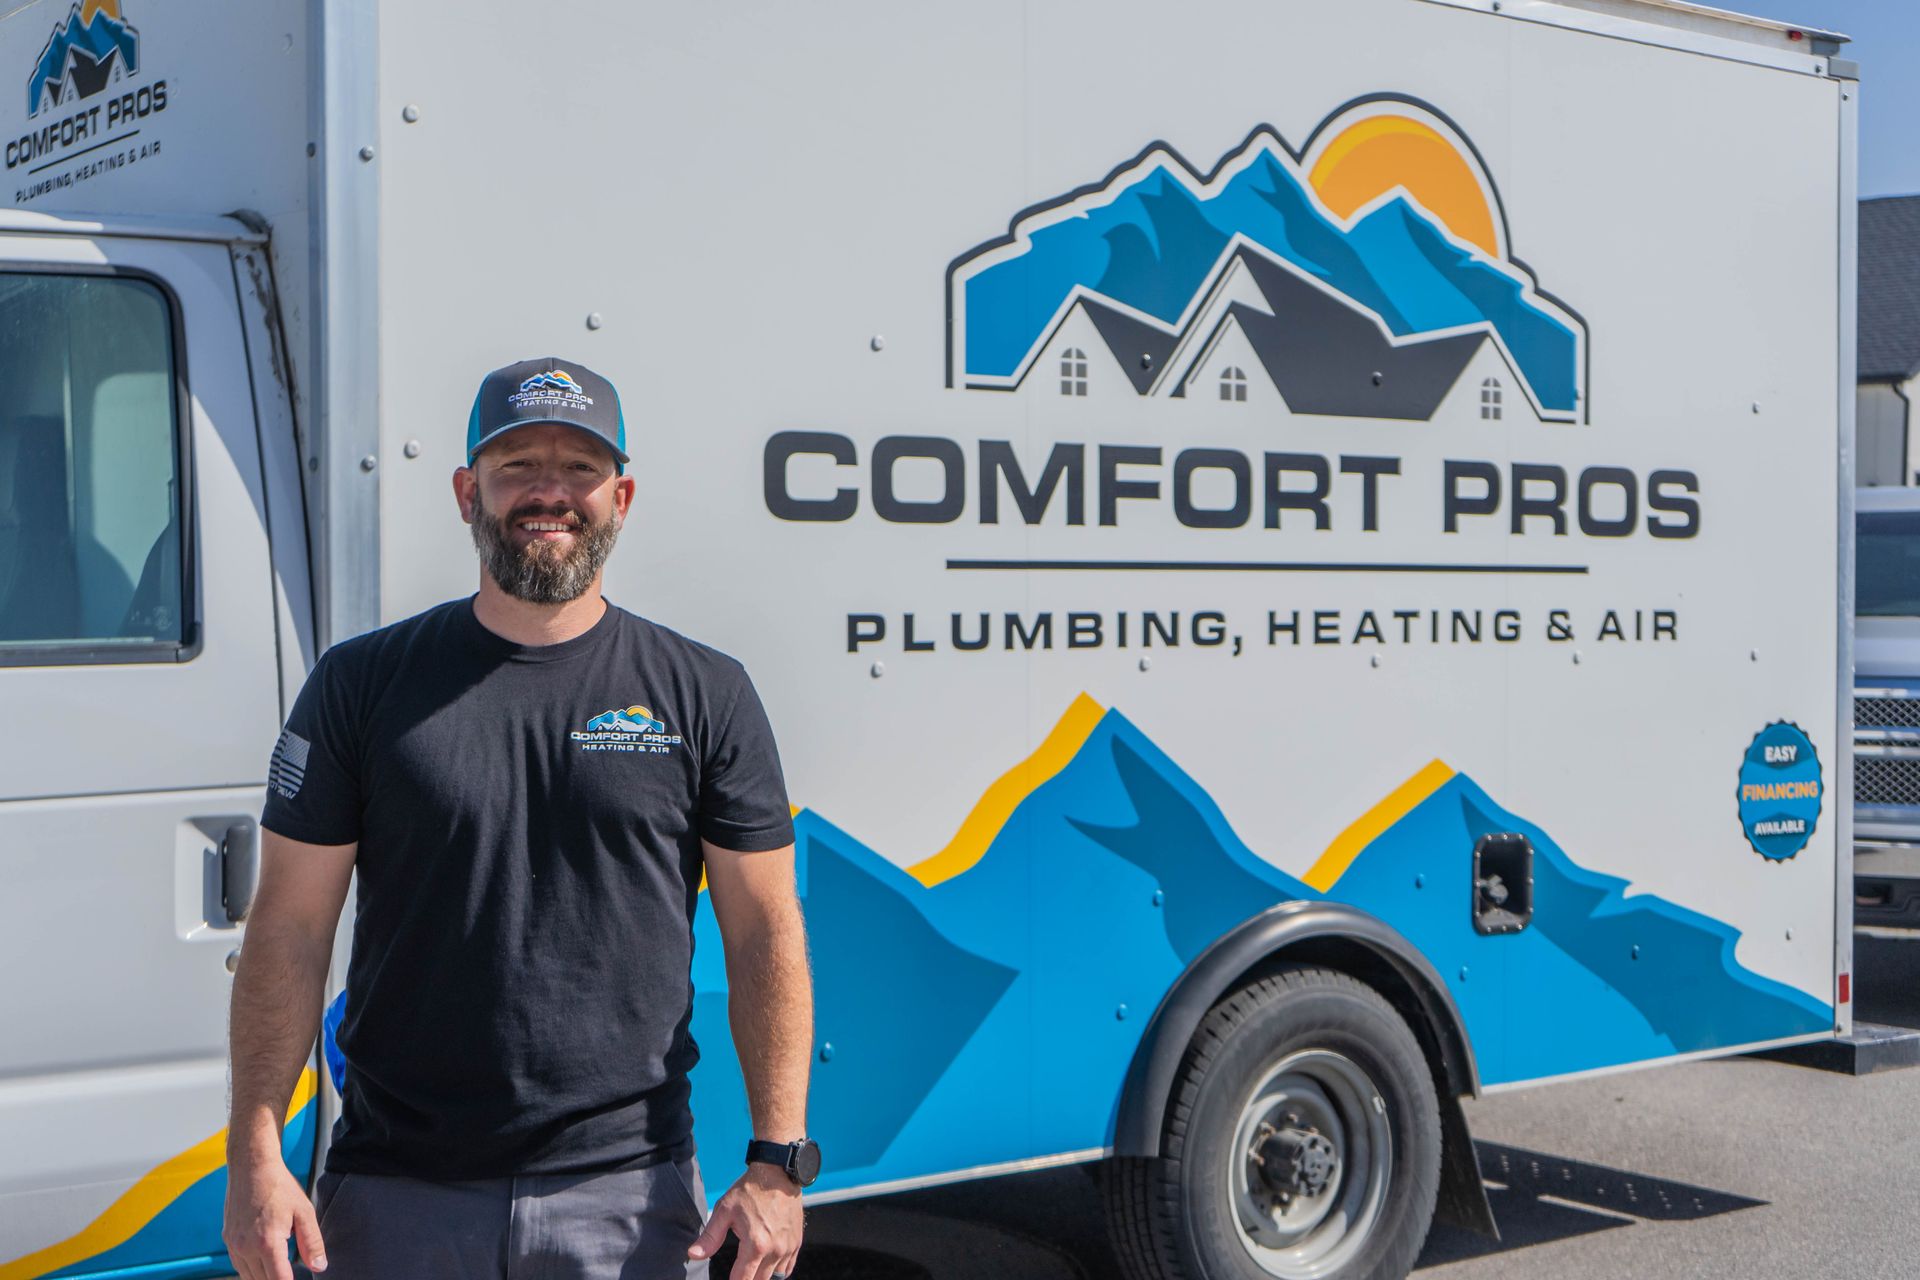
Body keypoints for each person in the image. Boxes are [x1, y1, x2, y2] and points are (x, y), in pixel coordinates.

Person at [222, 357, 817, 1280]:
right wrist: (256, 1152)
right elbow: (289, 928)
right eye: (517, 467)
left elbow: (764, 932)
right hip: (395, 1195)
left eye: (580, 468)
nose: (551, 493)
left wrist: (778, 1162)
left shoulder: (706, 694)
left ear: (621, 497)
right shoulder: (361, 685)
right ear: (469, 493)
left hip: (630, 1200)